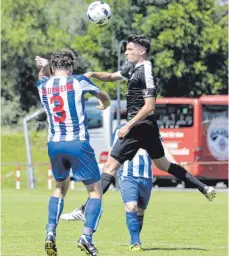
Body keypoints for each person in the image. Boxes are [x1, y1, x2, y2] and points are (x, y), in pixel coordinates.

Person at [61, 34, 216, 220]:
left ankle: (84, 210)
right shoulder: (132, 68)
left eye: (130, 49)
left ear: (142, 51)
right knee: (164, 165)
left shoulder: (146, 71)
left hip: (138, 126)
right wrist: (91, 74)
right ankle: (204, 188)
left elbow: (149, 106)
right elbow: (110, 77)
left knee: (109, 168)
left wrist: (128, 125)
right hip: (147, 128)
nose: (126, 52)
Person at [35, 49, 111, 256]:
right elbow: (104, 96)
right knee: (95, 192)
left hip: (54, 144)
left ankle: (50, 232)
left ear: (52, 68)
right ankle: (86, 236)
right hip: (77, 143)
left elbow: (42, 76)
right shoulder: (78, 81)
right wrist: (105, 104)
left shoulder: (43, 85)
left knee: (60, 188)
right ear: (70, 68)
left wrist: (43, 66)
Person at [62, 124, 154, 251]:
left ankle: (135, 240)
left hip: (146, 178)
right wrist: (108, 165)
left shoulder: (151, 128)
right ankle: (84, 209)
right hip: (127, 175)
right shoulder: (122, 128)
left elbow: (162, 150)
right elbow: (113, 149)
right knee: (131, 206)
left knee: (140, 211)